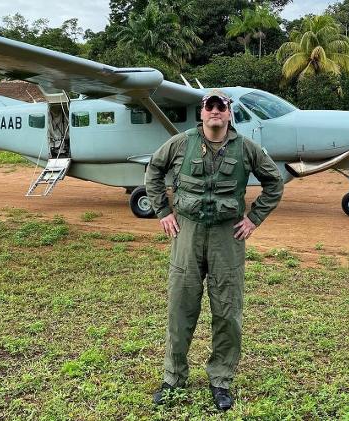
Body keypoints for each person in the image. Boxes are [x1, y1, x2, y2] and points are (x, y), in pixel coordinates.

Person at [145, 89, 284, 411]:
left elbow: (274, 183)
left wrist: (253, 219)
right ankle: (173, 377)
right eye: (210, 105)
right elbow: (154, 170)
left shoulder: (247, 148)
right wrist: (163, 211)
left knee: (227, 311)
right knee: (181, 308)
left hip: (227, 237)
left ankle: (221, 379)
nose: (216, 111)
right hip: (188, 234)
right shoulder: (181, 143)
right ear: (202, 112)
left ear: (229, 112)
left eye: (222, 106)